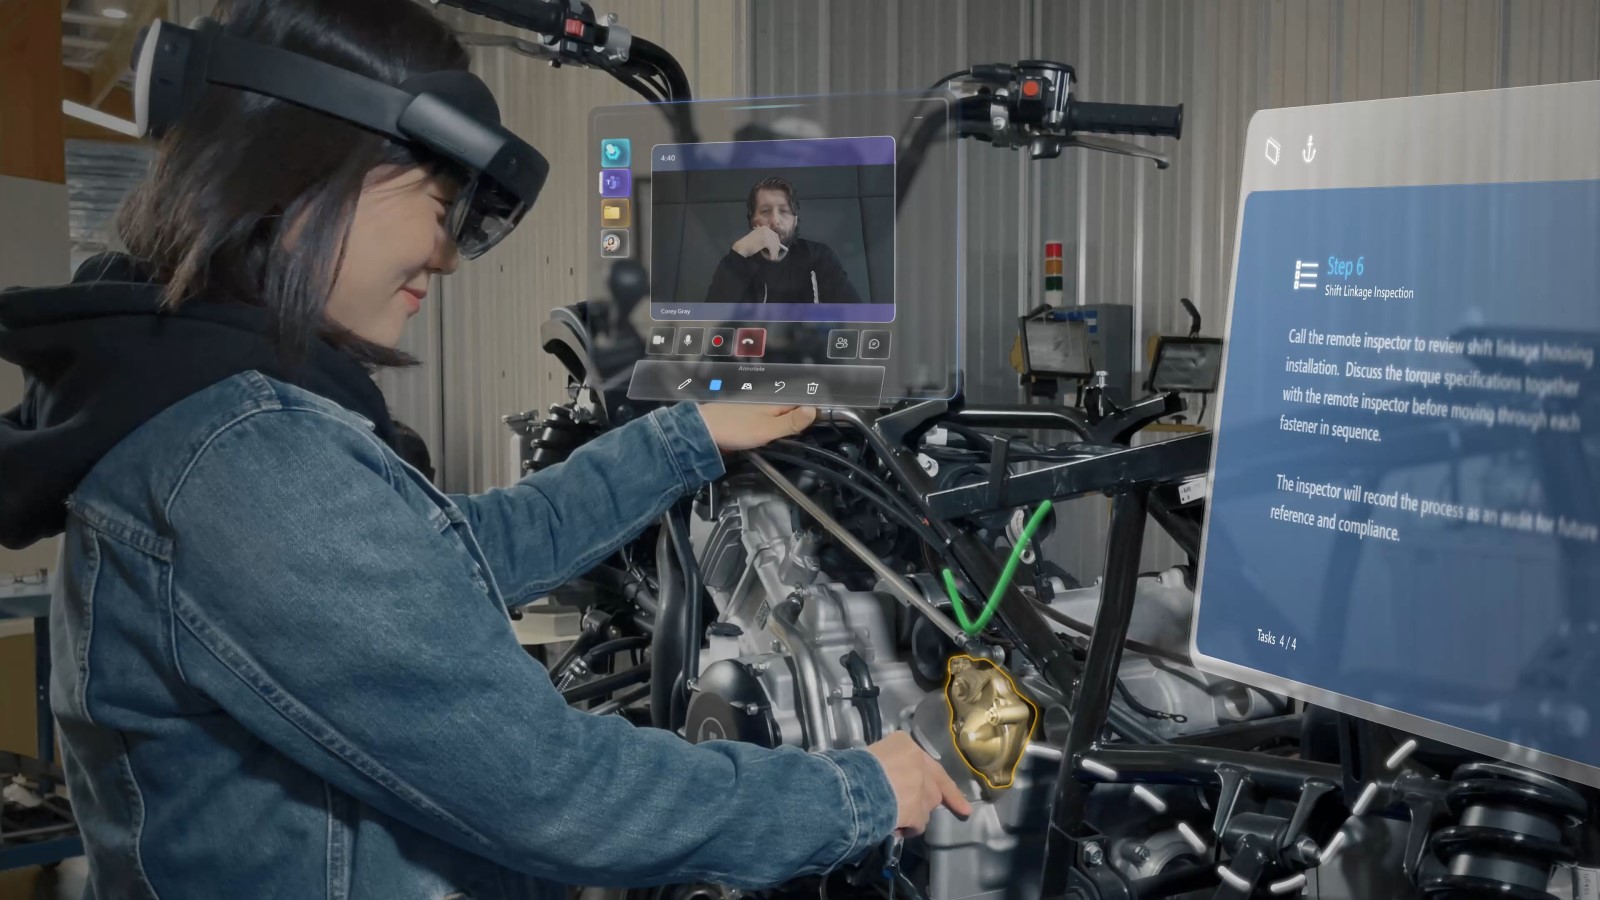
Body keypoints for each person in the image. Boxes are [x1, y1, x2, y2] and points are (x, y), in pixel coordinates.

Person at [0, 1, 967, 897]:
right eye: (437, 202)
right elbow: (554, 791)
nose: (448, 254)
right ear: (311, 166)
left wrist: (686, 437)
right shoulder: (242, 461)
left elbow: (456, 550)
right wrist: (853, 793)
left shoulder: (200, 410)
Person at [704, 176, 865, 304]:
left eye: (784, 211)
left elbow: (854, 314)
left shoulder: (818, 255)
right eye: (765, 211)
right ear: (753, 220)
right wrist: (740, 251)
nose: (775, 220)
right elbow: (711, 320)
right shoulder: (737, 259)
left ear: (794, 220)